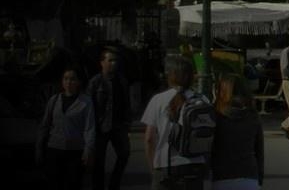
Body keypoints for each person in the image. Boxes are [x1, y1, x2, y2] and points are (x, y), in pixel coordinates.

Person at [141, 56, 205, 187]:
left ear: (171, 76)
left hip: (166, 165)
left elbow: (149, 138)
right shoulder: (202, 99)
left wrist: (153, 167)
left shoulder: (158, 100)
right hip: (194, 164)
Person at [37, 67, 96, 189]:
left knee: (73, 183)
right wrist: (39, 147)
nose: (69, 82)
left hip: (75, 151)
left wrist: (88, 150)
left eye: (72, 79)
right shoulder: (54, 100)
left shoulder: (85, 102)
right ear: (62, 81)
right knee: (54, 183)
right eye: (66, 79)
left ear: (78, 82)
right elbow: (45, 125)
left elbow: (89, 128)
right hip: (54, 149)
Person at [210, 73, 264, 190]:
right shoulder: (253, 116)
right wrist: (259, 179)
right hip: (249, 177)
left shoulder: (216, 116)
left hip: (221, 177)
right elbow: (259, 151)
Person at [87, 47, 131, 190]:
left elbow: (126, 103)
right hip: (100, 126)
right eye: (110, 60)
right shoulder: (95, 82)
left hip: (118, 126)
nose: (113, 63)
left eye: (115, 61)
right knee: (98, 162)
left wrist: (127, 123)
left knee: (124, 154)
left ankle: (114, 184)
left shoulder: (122, 81)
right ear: (102, 62)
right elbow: (89, 106)